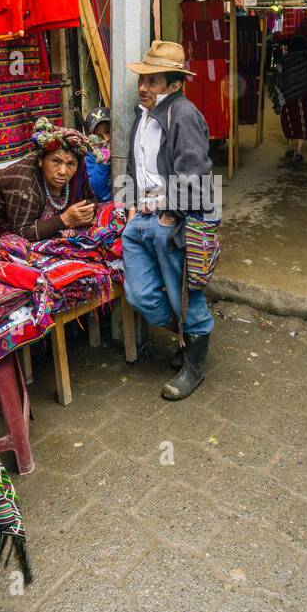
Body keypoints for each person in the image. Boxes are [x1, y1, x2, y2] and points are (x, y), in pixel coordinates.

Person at [121, 40, 215, 401]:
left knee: (185, 297)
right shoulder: (143, 117)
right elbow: (134, 167)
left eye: (153, 81)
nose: (144, 87)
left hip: (170, 222)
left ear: (174, 85)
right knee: (140, 294)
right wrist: (130, 206)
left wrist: (169, 214)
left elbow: (196, 174)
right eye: (143, 80)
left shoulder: (184, 114)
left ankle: (194, 364)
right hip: (140, 221)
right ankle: (188, 336)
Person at [0, 117, 95, 240]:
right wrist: (64, 219)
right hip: (0, 213)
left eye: (70, 164)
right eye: (56, 161)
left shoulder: (79, 172)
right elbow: (23, 233)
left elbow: (90, 199)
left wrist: (87, 213)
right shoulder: (25, 183)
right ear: (40, 160)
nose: (63, 171)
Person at [270, 36, 307, 162]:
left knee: (288, 121)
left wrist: (278, 97)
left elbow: (277, 80)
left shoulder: (283, 61)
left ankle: (289, 147)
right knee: (302, 122)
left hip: (287, 96)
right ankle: (298, 151)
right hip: (304, 96)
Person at [84, 107, 113, 203]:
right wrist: (103, 162)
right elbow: (97, 191)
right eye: (99, 136)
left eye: (108, 131)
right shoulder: (91, 157)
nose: (106, 139)